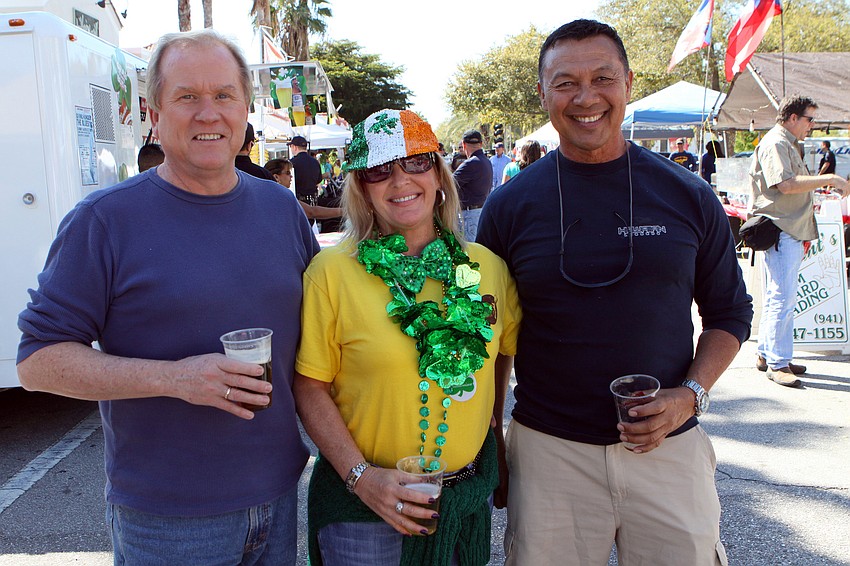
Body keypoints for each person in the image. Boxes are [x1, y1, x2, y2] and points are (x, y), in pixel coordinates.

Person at [16, 29, 319, 564]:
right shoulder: (104, 221)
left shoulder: (281, 210)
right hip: (167, 520)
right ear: (154, 112)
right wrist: (173, 378)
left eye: (224, 95)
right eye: (187, 97)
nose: (208, 114)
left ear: (246, 107)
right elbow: (38, 362)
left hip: (277, 497)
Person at [476, 19, 754, 565]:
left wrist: (689, 397)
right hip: (549, 453)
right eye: (565, 83)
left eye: (603, 78)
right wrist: (493, 439)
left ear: (628, 82)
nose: (586, 98)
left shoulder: (688, 194)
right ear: (543, 92)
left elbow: (729, 312)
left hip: (669, 449)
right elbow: (489, 333)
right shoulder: (508, 208)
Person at [293, 108, 521, 565]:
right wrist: (361, 477)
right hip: (362, 512)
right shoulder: (332, 272)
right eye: (379, 170)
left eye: (415, 162)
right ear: (362, 187)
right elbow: (309, 385)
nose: (400, 182)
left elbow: (500, 359)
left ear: (439, 174)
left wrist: (492, 435)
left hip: (460, 502)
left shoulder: (486, 268)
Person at [749, 95, 849, 387]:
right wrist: (828, 178)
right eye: (809, 119)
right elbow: (786, 185)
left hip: (786, 228)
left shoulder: (784, 143)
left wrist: (820, 188)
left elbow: (790, 187)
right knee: (783, 297)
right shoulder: (777, 143)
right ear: (792, 117)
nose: (812, 125)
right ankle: (777, 362)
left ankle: (769, 354)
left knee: (777, 297)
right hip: (782, 229)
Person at [265, 157, 342, 224]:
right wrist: (343, 211)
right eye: (288, 173)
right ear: (276, 177)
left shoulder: (266, 196)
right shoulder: (282, 197)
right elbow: (312, 212)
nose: (291, 176)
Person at [453, 129, 493, 241]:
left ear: (464, 145)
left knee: (468, 253)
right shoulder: (486, 161)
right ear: (480, 144)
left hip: (469, 215)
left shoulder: (471, 163)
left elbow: (449, 184)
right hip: (479, 213)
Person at [288, 135, 323, 206]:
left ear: (294, 147)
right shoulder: (315, 162)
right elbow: (318, 180)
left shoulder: (291, 163)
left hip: (298, 201)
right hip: (313, 201)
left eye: (290, 147)